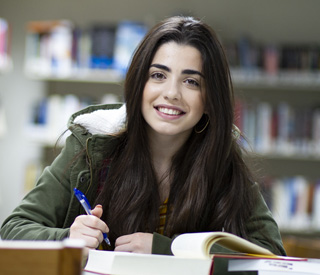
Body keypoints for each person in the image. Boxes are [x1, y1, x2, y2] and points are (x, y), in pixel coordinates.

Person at [1, 16, 286, 259]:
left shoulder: (222, 160)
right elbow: (13, 229)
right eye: (158, 75)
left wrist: (170, 250)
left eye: (191, 81)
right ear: (140, 83)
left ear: (210, 99)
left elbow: (271, 254)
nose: (171, 93)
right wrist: (68, 237)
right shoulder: (92, 144)